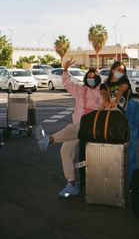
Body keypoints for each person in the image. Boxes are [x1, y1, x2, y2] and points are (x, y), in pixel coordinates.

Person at [35, 58, 103, 198]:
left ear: (98, 79)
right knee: (65, 151)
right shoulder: (80, 90)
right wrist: (65, 70)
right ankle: (71, 184)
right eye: (89, 77)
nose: (91, 79)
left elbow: (105, 107)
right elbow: (67, 83)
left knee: (76, 127)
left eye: (94, 77)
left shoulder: (100, 92)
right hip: (77, 127)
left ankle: (50, 139)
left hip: (92, 126)